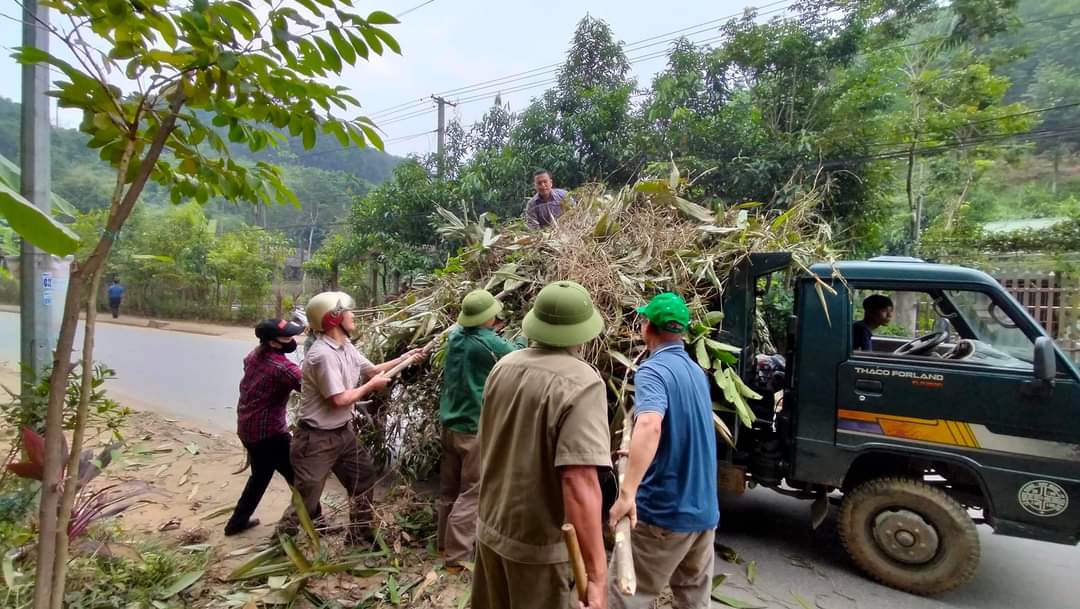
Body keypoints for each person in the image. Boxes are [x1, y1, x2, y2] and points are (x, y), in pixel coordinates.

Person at [472, 281, 610, 609]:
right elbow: (579, 481)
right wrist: (597, 575)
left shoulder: (503, 367)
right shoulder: (583, 383)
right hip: (540, 550)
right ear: (584, 332)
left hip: (492, 532)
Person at [608, 292, 719, 609]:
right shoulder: (696, 372)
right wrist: (637, 457)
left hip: (665, 512)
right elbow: (679, 432)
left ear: (648, 327)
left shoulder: (653, 371)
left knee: (626, 597)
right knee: (692, 601)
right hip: (703, 513)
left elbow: (650, 425)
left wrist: (627, 494)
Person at [291, 291, 424, 545]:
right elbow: (339, 399)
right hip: (316, 439)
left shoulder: (345, 346)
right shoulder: (322, 356)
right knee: (307, 496)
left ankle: (359, 536)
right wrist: (370, 386)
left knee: (363, 478)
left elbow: (372, 370)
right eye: (348, 312)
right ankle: (281, 543)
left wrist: (406, 358)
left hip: (343, 432)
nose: (353, 315)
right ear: (333, 318)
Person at [438, 289, 524, 568]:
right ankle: (457, 557)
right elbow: (517, 354)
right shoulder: (487, 343)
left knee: (449, 490)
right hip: (473, 429)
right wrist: (523, 335)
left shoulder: (455, 336)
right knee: (473, 493)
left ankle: (443, 543)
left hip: (449, 424)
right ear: (487, 318)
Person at [224, 319, 305, 536]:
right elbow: (314, 388)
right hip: (270, 434)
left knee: (260, 476)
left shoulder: (254, 355)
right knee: (300, 479)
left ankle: (236, 523)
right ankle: (316, 521)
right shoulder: (283, 368)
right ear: (273, 342)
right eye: (287, 337)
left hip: (248, 427)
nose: (292, 340)